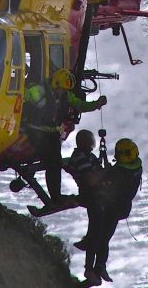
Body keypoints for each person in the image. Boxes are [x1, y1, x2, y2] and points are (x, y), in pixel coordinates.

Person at [67, 131, 142, 286]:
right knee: (97, 236)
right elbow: (91, 179)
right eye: (91, 140)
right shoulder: (82, 158)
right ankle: (92, 270)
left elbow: (103, 176)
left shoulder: (124, 169)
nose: (94, 142)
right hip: (101, 202)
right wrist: (107, 171)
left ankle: (98, 268)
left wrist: (105, 169)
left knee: (102, 237)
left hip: (111, 205)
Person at [22, 68, 106, 205]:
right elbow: (20, 97)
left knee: (57, 163)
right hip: (36, 132)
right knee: (51, 162)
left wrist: (96, 104)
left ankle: (56, 195)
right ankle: (55, 197)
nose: (63, 92)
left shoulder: (66, 95)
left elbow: (79, 105)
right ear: (55, 84)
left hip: (52, 133)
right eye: (62, 89)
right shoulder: (38, 91)